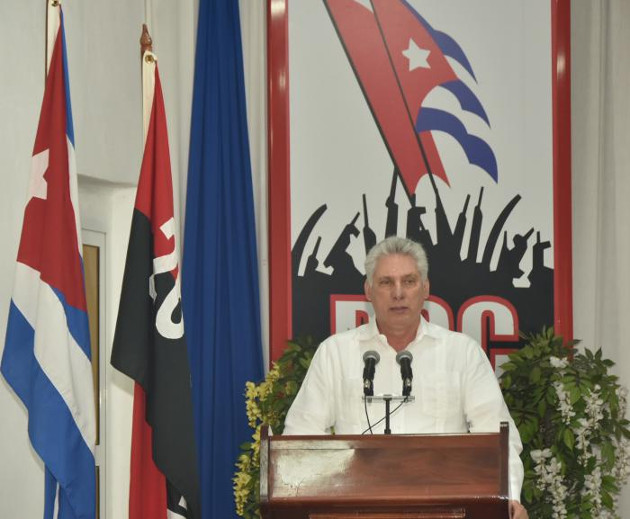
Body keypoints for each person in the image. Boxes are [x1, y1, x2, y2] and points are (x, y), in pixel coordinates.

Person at [284, 236, 529, 519]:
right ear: (368, 290)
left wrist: (507, 500)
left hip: (445, 510)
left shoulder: (462, 353)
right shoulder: (335, 353)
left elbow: (499, 440)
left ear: (425, 289)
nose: (398, 293)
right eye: (386, 282)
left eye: (409, 281)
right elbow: (300, 438)